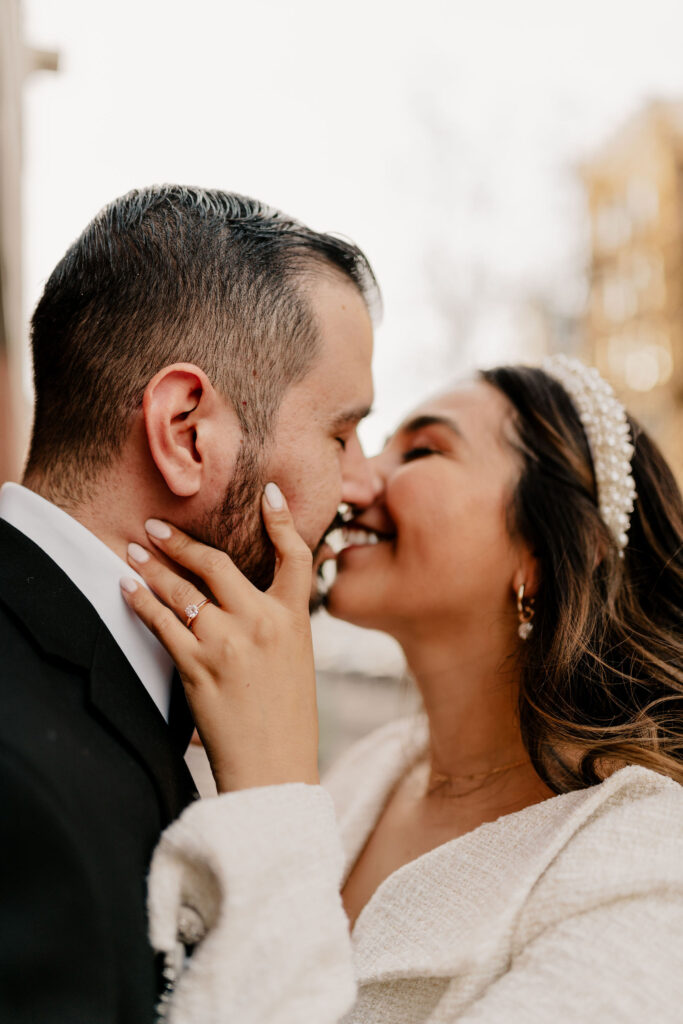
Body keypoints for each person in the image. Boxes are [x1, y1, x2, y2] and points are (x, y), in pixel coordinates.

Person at [123, 357, 683, 1023]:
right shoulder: (370, 770)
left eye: (421, 449)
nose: (353, 481)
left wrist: (270, 786)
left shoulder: (649, 860)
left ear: (549, 549)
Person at [0, 185, 380, 1023]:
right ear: (186, 432)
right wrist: (276, 799)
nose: (364, 484)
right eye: (340, 435)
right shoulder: (22, 777)